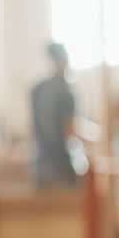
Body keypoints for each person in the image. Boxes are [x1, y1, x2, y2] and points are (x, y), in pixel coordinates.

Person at [30, 41, 79, 188]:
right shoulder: (65, 91)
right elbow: (69, 129)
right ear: (62, 59)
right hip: (60, 166)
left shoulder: (37, 89)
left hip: (40, 165)